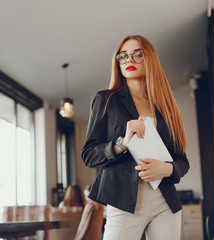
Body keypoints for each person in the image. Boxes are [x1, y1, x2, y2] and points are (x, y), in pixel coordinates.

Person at [81, 35, 189, 240]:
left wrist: (165, 168)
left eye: (137, 54)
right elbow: (88, 155)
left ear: (150, 59)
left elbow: (182, 160)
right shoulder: (105, 100)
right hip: (123, 201)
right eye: (123, 56)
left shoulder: (165, 107)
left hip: (164, 201)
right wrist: (122, 143)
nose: (129, 60)